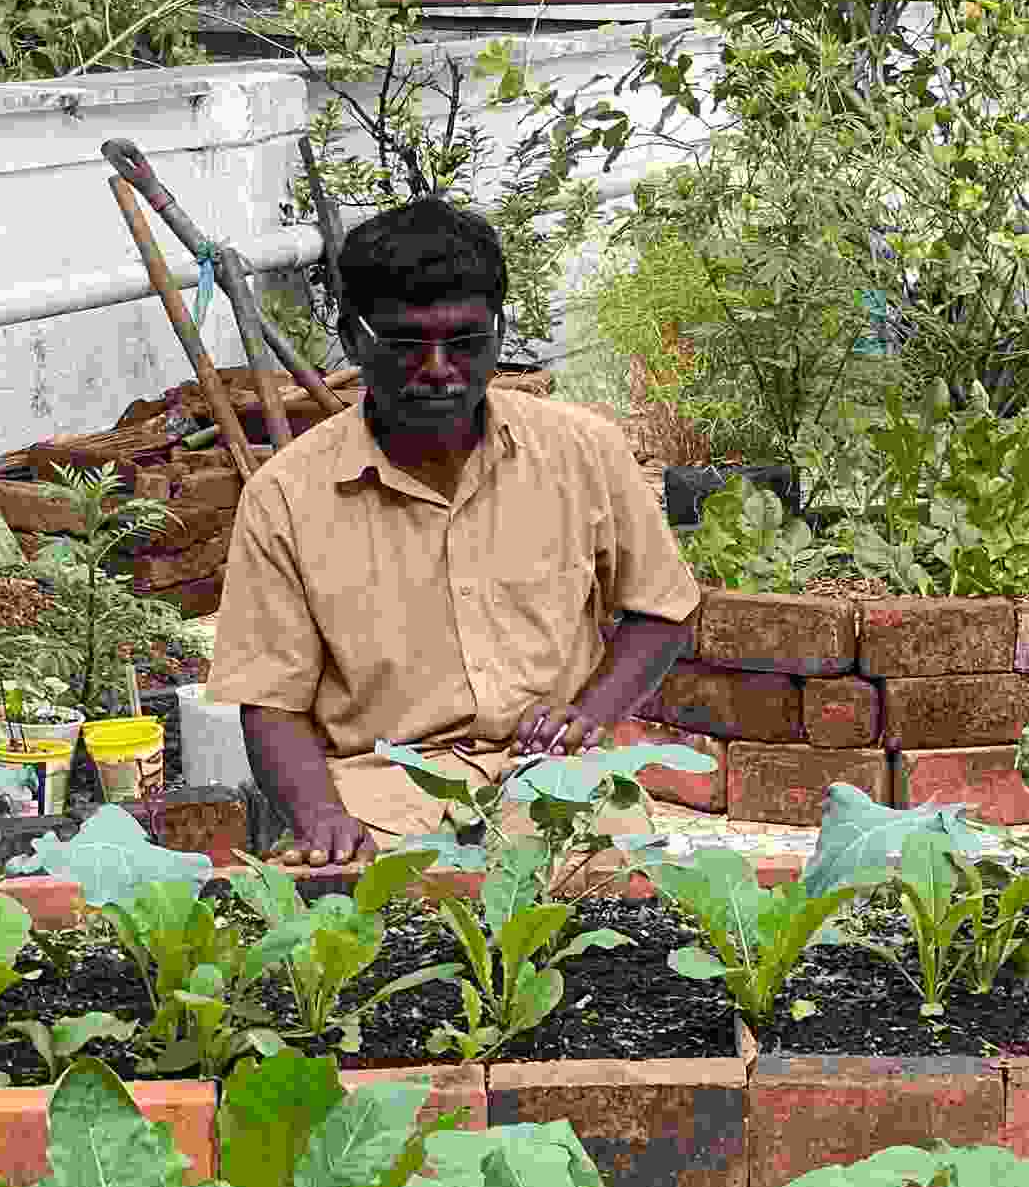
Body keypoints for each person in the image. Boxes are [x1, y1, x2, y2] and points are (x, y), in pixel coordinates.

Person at [206, 196, 700, 866]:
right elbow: (269, 701)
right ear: (354, 339)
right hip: (378, 796)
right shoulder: (286, 497)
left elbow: (663, 609)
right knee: (356, 928)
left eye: (465, 342)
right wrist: (320, 816)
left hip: (554, 779)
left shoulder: (581, 450)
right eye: (408, 344)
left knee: (615, 910)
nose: (438, 367)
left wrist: (590, 713)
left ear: (497, 332)